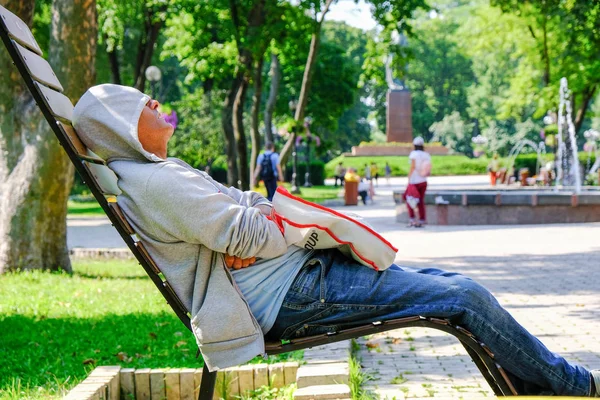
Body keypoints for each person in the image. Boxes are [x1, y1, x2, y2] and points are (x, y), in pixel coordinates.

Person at [72, 84, 600, 396]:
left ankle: (535, 379)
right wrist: (258, 226)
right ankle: (573, 385)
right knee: (461, 296)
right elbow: (256, 227)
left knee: (449, 285)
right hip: (288, 296)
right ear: (120, 126)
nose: (157, 102)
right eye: (145, 103)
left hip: (291, 280)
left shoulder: (160, 173)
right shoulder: (155, 182)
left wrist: (257, 224)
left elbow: (254, 206)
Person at [405, 137, 431, 228]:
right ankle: (422, 220)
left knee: (410, 200)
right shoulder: (426, 155)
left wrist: (408, 178)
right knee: (420, 201)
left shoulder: (414, 154)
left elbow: (412, 167)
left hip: (414, 181)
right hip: (423, 181)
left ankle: (412, 219)